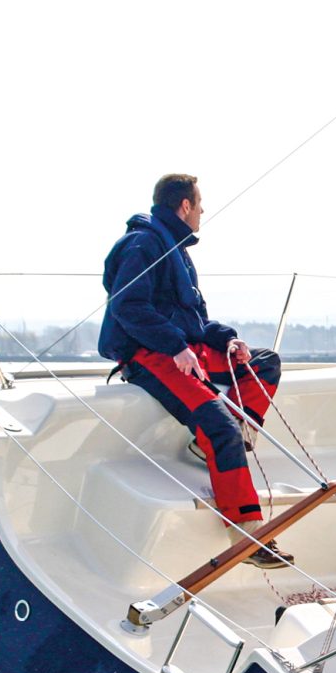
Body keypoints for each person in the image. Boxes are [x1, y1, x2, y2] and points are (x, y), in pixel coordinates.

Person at [98, 173, 293, 568]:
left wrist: (227, 341)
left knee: (263, 364)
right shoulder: (144, 243)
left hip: (184, 347)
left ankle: (224, 442)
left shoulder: (176, 250)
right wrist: (174, 346)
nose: (203, 211)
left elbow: (193, 320)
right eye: (199, 204)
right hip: (150, 355)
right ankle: (247, 536)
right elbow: (128, 307)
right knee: (218, 424)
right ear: (184, 206)